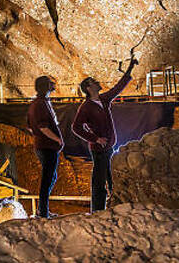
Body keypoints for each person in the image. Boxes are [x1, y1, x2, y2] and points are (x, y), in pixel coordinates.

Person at [71, 58, 138, 212]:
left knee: (111, 179)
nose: (97, 82)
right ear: (89, 88)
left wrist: (129, 68)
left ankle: (112, 208)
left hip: (109, 148)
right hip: (99, 150)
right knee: (99, 182)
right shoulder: (86, 107)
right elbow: (76, 127)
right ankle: (97, 211)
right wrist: (95, 139)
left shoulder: (104, 99)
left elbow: (118, 88)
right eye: (94, 82)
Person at [27, 76, 64, 218]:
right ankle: (42, 212)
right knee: (47, 179)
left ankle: (42, 210)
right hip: (47, 147)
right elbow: (42, 126)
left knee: (51, 177)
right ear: (45, 86)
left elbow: (30, 127)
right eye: (50, 83)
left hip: (44, 145)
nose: (53, 84)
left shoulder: (39, 103)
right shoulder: (40, 104)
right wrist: (56, 139)